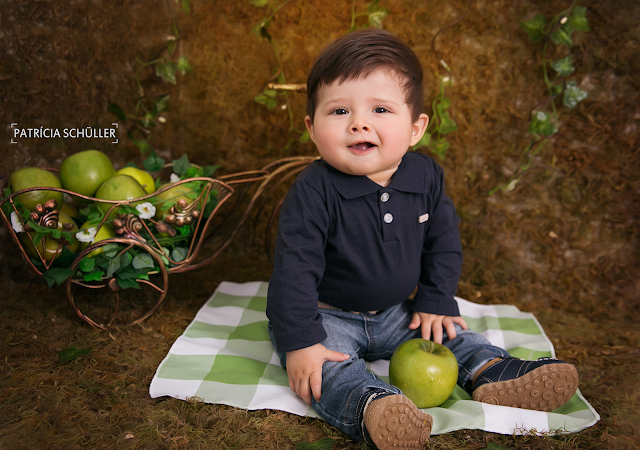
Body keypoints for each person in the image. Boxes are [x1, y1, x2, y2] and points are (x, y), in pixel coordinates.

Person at [266, 28, 579, 450]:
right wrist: (301, 341)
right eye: (339, 112)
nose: (359, 122)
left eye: (380, 109)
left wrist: (434, 299)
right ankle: (372, 405)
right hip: (326, 315)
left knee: (448, 334)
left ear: (415, 128)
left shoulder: (425, 176)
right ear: (311, 127)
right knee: (324, 367)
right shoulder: (314, 190)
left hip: (397, 312)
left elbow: (443, 241)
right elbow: (293, 269)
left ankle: (492, 371)